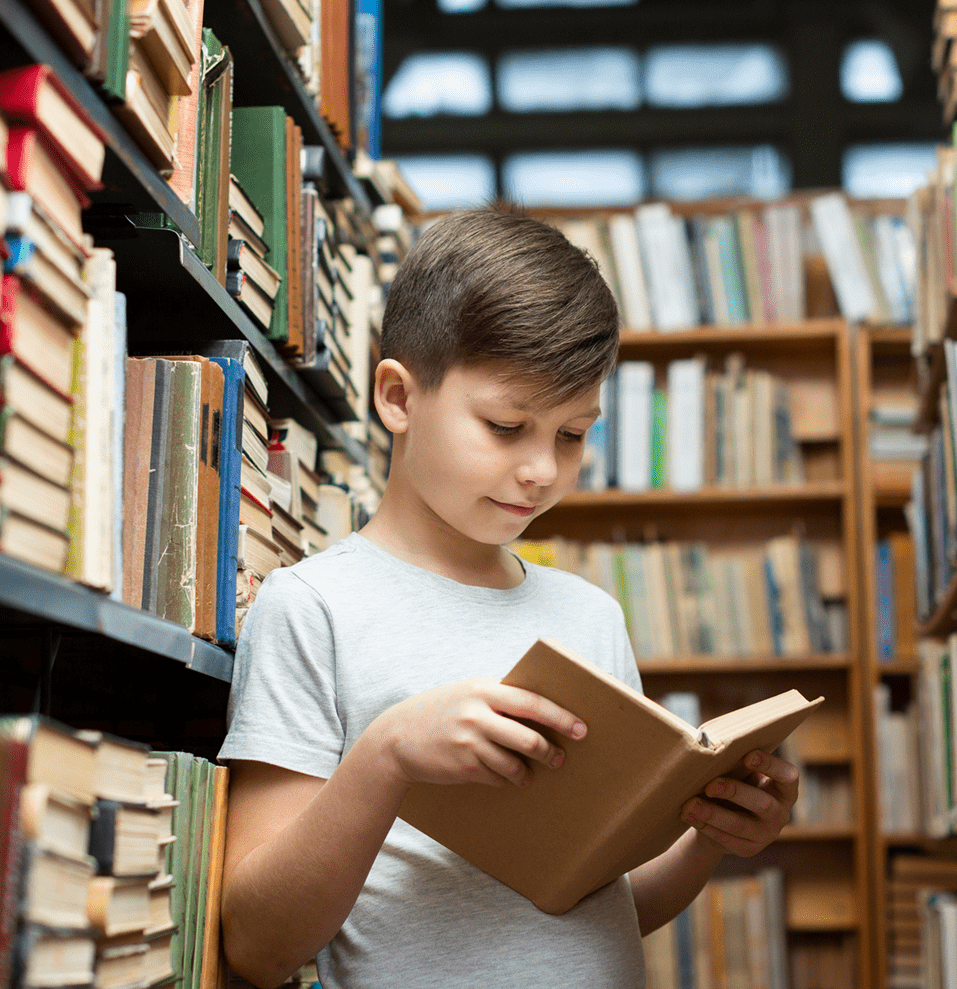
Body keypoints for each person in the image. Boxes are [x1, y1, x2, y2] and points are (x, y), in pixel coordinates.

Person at [219, 209, 799, 989]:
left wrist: (712, 836)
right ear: (398, 397)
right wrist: (387, 755)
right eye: (506, 425)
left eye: (571, 435)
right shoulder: (312, 607)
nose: (541, 470)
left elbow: (598, 903)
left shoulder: (589, 617)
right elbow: (257, 945)